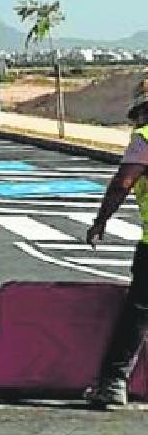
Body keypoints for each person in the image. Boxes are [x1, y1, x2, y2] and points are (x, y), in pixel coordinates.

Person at [84, 78, 148, 407]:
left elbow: (123, 183)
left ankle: (113, 381)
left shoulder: (144, 139)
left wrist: (100, 221)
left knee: (138, 312)